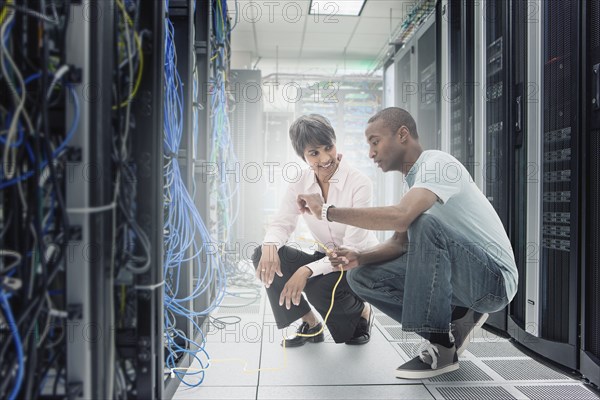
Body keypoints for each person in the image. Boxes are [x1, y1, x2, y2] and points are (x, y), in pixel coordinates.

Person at [297, 107, 518, 378]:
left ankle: (441, 347)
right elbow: (399, 244)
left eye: (375, 141)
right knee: (360, 277)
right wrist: (359, 257)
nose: (370, 153)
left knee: (423, 223)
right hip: (462, 279)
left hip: (493, 282)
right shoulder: (413, 184)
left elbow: (402, 216)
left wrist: (327, 210)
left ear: (402, 134)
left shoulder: (437, 164)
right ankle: (452, 323)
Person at [252, 114, 379, 347]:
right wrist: (270, 245)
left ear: (335, 143)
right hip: (326, 257)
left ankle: (362, 311)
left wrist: (306, 271)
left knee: (319, 288)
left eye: (328, 147)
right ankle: (311, 324)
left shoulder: (359, 183)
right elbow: (282, 222)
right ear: (303, 156)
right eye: (314, 153)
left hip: (358, 262)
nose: (325, 158)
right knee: (263, 253)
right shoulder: (300, 182)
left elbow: (350, 249)